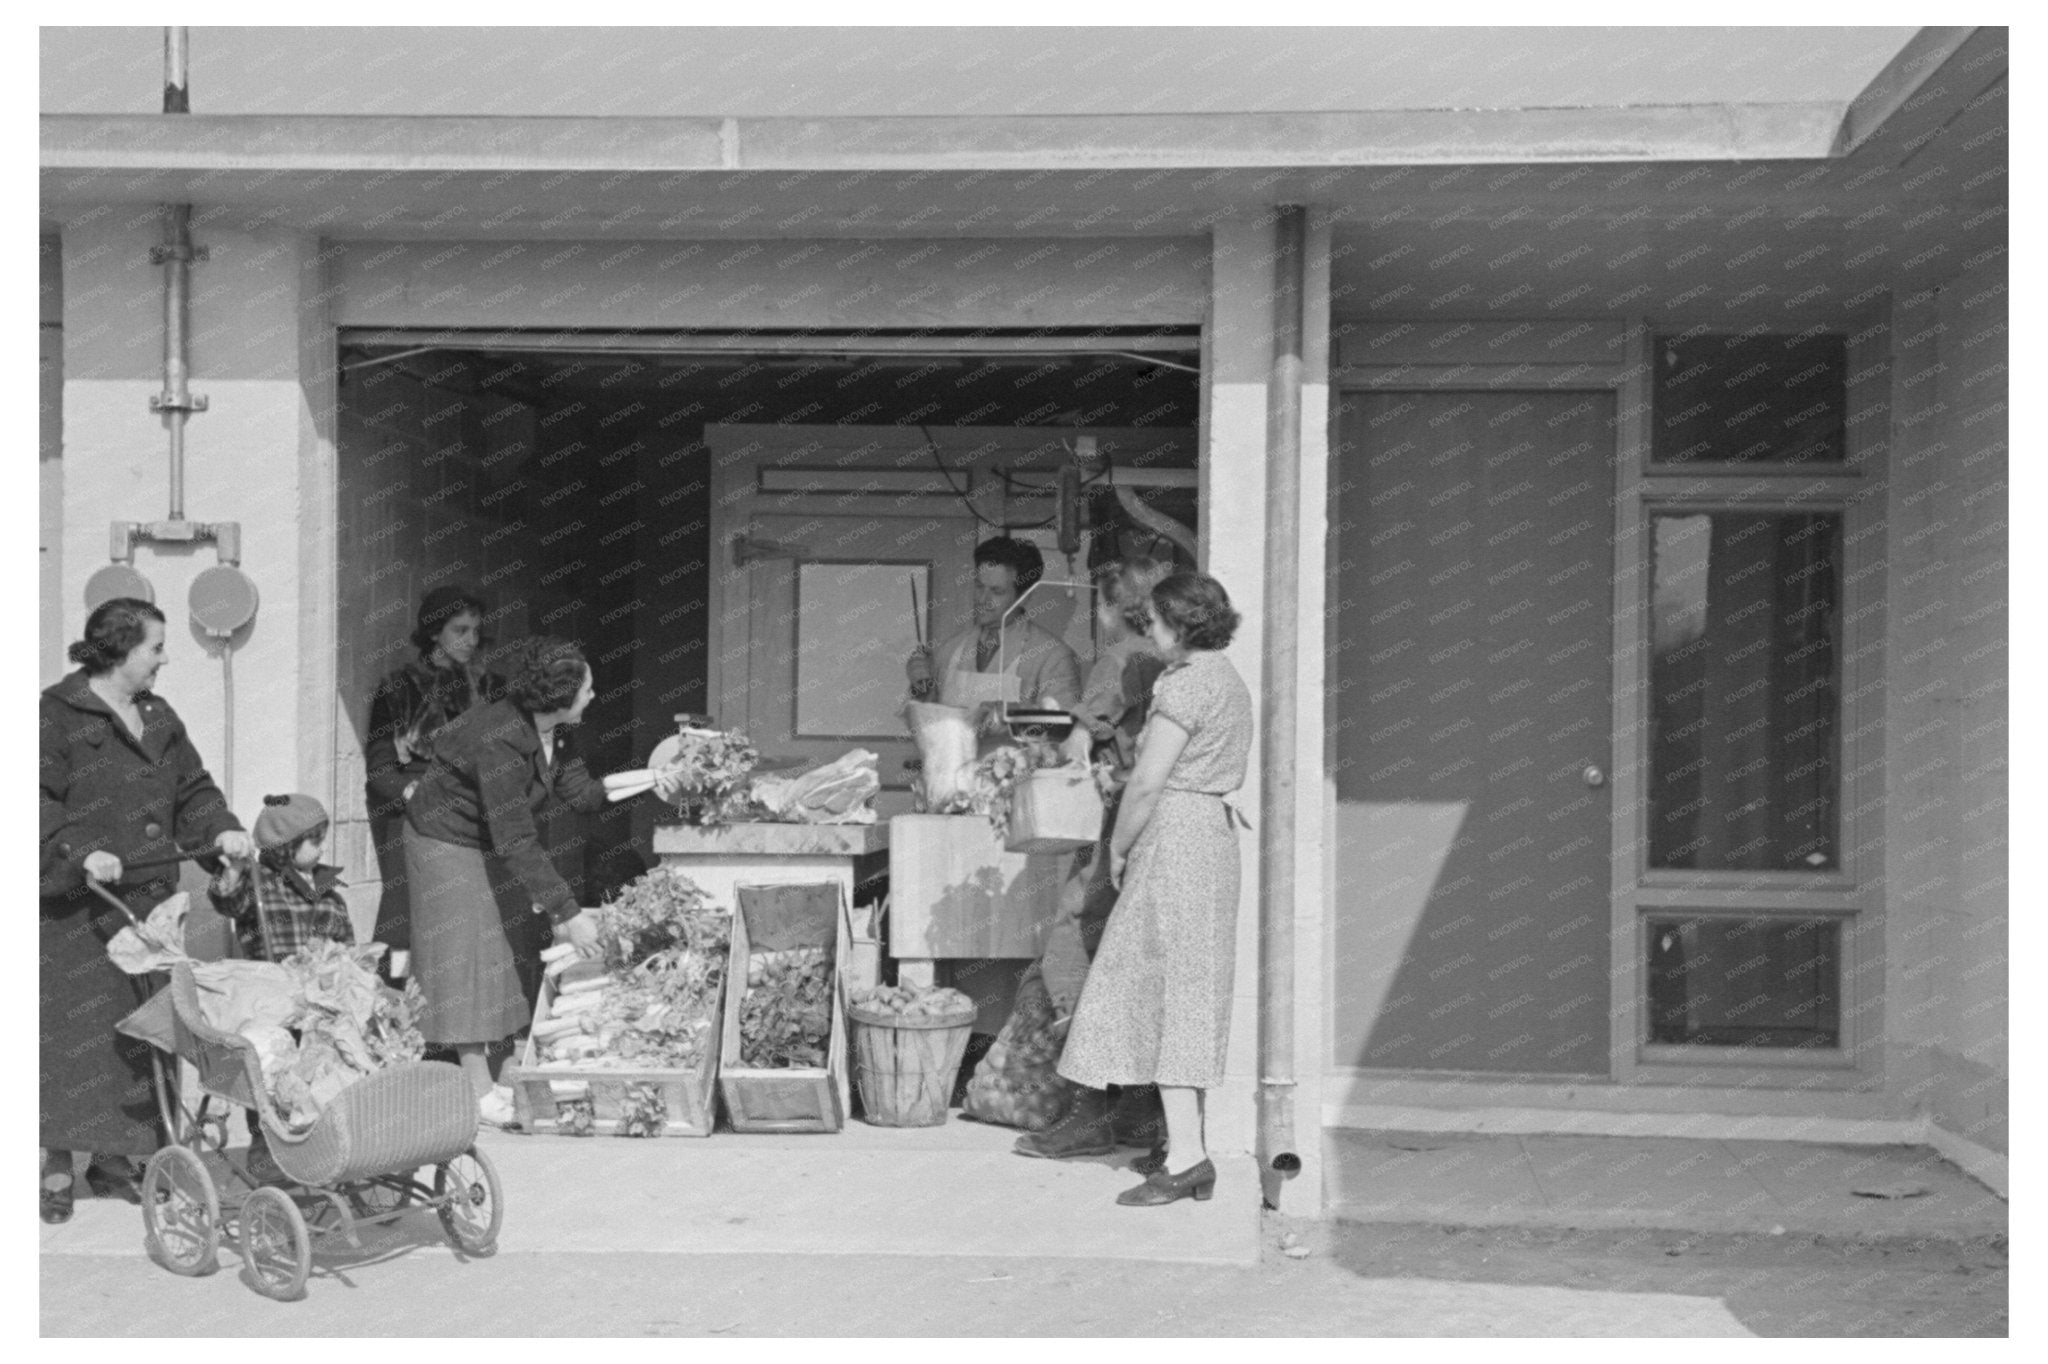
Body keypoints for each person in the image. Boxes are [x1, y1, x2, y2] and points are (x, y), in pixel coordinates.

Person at [39, 598, 254, 1224]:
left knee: (145, 1030)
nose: (164, 658)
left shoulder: (159, 715)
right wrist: (81, 851)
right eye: (155, 648)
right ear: (117, 650)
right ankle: (56, 1163)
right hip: (78, 908)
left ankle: (121, 1158)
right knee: (75, 1039)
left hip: (151, 904)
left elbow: (195, 791)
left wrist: (225, 832)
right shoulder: (56, 715)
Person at [1054, 572, 1254, 1206]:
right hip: (1211, 836)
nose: (1154, 634)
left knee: (1162, 986)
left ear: (1179, 624)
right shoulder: (1227, 679)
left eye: (1159, 623)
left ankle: (1189, 1156)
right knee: (1188, 985)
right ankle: (1180, 1142)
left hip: (1177, 837)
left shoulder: (1187, 684)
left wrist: (1116, 847)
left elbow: (1146, 782)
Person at [403, 636, 607, 1126]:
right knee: (467, 955)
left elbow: (582, 794)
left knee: (499, 949)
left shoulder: (558, 729)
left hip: (484, 841)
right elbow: (516, 837)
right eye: (587, 689)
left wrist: (654, 782)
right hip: (443, 840)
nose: (593, 696)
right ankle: (476, 1092)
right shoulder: (498, 738)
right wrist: (568, 912)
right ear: (559, 697)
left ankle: (505, 1068)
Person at [1016, 555, 1174, 1161]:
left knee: (1070, 947)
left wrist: (1039, 763)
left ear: (1112, 605)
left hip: (1117, 824)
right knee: (1128, 964)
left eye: (1099, 604)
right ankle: (1139, 1111)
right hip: (1158, 829)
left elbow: (1079, 744)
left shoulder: (1118, 657)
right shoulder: (1166, 658)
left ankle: (1088, 1112)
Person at [207, 792, 353, 1180]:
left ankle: (320, 1139)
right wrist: (235, 872)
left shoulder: (331, 894)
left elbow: (347, 949)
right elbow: (228, 902)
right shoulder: (261, 883)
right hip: (273, 1000)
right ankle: (265, 1143)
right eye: (315, 840)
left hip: (320, 1005)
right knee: (271, 1072)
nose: (323, 847)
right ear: (287, 847)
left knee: (323, 1072)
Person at [364, 587, 503, 980]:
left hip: (470, 814)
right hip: (413, 810)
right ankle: (397, 1012)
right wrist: (413, 794)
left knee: (465, 921)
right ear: (434, 632)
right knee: (404, 921)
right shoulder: (398, 687)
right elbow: (380, 771)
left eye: (476, 632)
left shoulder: (490, 688)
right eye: (460, 630)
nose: (471, 641)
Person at [907, 536, 1083, 752]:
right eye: (979, 586)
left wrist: (1012, 715)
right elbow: (931, 732)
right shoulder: (949, 649)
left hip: (1017, 781)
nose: (982, 599)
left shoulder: (1053, 657)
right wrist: (922, 689)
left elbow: (1067, 735)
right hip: (954, 781)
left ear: (1025, 596)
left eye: (997, 592)